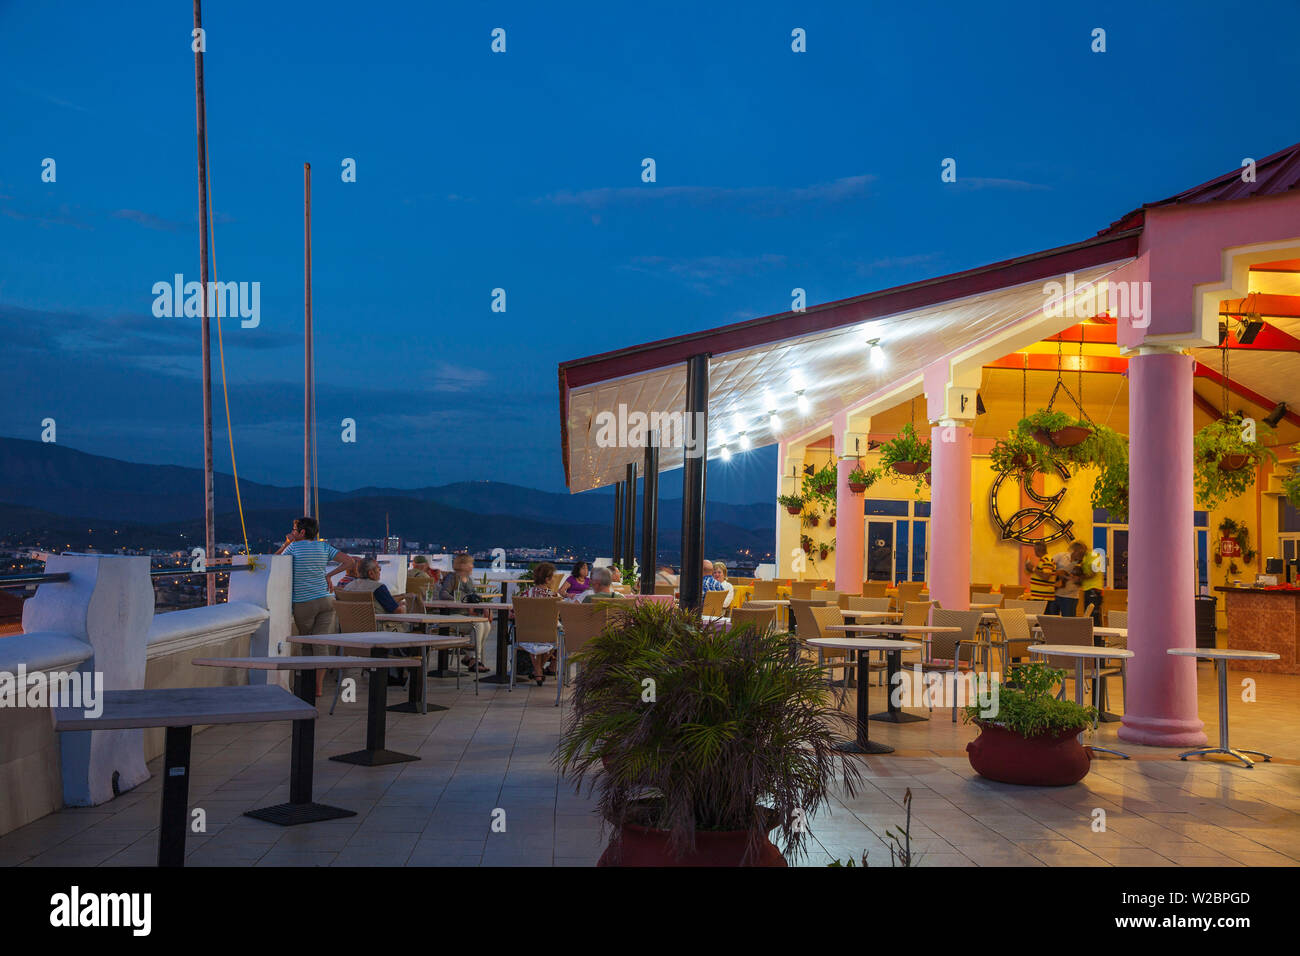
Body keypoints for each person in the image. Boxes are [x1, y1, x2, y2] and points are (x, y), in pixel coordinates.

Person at [276, 516, 358, 695]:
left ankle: (307, 685)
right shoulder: (323, 546)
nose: (292, 533)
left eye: (294, 530)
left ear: (302, 532)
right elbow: (350, 561)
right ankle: (318, 688)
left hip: (305, 602)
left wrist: (285, 543)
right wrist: (329, 575)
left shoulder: (294, 547)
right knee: (320, 643)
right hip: (327, 600)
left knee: (307, 643)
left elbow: (274, 562)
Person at [436, 552, 491, 672]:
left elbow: (473, 598)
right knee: (478, 625)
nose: (472, 566)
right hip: (452, 615)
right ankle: (474, 660)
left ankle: (469, 657)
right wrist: (460, 601)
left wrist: (483, 607)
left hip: (465, 615)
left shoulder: (469, 580)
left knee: (486, 625)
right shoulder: (453, 577)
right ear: (462, 565)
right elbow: (443, 593)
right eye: (470, 563)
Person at [515, 562, 559, 685]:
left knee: (534, 640)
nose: (554, 579)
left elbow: (513, 614)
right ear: (547, 579)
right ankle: (539, 670)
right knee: (554, 640)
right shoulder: (554, 596)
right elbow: (559, 615)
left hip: (527, 636)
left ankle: (537, 671)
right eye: (553, 577)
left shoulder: (525, 595)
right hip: (548, 637)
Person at [1052, 541, 1083, 618]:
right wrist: (1062, 574)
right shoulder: (1061, 556)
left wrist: (1078, 579)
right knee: (1051, 621)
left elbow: (1082, 581)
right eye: (1080, 552)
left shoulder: (1083, 562)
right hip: (1054, 594)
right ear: (1075, 550)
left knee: (1069, 623)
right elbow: (1049, 569)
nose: (1082, 554)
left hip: (1071, 597)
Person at [1026, 541, 1058, 612]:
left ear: (1038, 550)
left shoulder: (1047, 560)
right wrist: (1030, 569)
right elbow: (1041, 574)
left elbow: (1046, 577)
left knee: (1043, 620)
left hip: (1043, 597)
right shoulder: (1043, 560)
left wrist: (1033, 568)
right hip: (1040, 596)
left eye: (1035, 550)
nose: (1034, 552)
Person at [1079, 541, 1105, 628]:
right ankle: (1091, 638)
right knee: (1089, 616)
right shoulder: (1085, 558)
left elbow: (1093, 573)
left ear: (1082, 549)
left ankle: (1097, 640)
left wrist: (1080, 578)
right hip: (1088, 589)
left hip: (1094, 589)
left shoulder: (1092, 555)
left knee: (1094, 617)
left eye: (1077, 550)